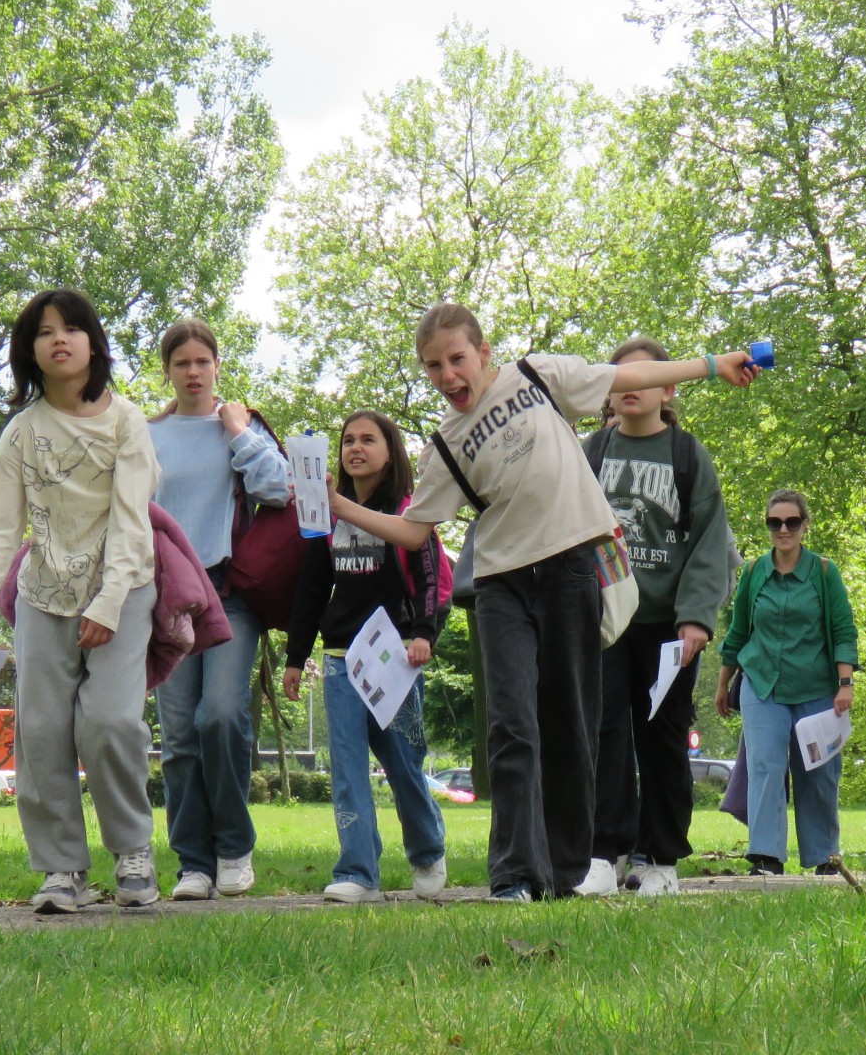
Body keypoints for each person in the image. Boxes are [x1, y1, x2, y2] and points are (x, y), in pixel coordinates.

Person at [328, 302, 761, 902]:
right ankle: (513, 874)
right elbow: (415, 528)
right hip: (503, 585)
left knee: (571, 727)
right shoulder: (446, 445)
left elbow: (623, 379)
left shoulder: (536, 377)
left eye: (457, 359)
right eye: (433, 367)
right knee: (512, 725)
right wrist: (340, 508)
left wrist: (712, 365)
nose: (449, 375)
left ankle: (562, 872)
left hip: (572, 573)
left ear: (483, 353)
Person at [0, 289, 159, 914]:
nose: (58, 340)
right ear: (30, 352)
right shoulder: (21, 432)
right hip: (42, 594)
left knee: (111, 723)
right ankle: (62, 870)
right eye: (43, 332)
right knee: (40, 731)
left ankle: (132, 854)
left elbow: (131, 522)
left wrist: (110, 599)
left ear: (94, 343)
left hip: (121, 591)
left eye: (71, 328)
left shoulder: (127, 422)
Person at [583, 336, 736, 898]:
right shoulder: (590, 452)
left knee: (664, 738)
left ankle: (662, 861)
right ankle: (601, 853)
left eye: (646, 377)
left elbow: (709, 544)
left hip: (669, 629)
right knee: (602, 734)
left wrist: (696, 618)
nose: (632, 387)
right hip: (604, 622)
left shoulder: (688, 456)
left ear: (670, 388)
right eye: (620, 377)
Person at [148, 318, 292, 901]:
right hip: (169, 598)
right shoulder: (147, 433)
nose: (192, 372)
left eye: (201, 362)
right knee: (180, 733)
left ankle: (234, 848)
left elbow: (280, 490)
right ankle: (193, 863)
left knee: (222, 716)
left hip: (230, 592)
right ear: (167, 371)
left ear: (217, 366)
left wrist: (238, 432)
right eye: (181, 363)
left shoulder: (241, 425)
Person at [282, 411, 450, 903]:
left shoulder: (407, 509)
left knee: (402, 762)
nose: (356, 448)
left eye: (368, 440)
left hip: (397, 659)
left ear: (389, 449)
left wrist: (423, 633)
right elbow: (311, 588)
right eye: (348, 440)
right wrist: (296, 656)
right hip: (339, 659)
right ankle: (358, 871)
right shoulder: (323, 515)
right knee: (348, 765)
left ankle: (427, 850)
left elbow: (430, 577)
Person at [715, 489, 858, 875]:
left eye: (791, 522)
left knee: (819, 772)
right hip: (762, 686)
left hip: (815, 687)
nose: (783, 529)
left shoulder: (824, 572)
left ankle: (824, 855)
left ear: (804, 525)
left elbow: (844, 631)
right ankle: (765, 855)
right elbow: (738, 631)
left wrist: (845, 683)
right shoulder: (753, 571)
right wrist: (723, 681)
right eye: (775, 522)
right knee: (765, 764)